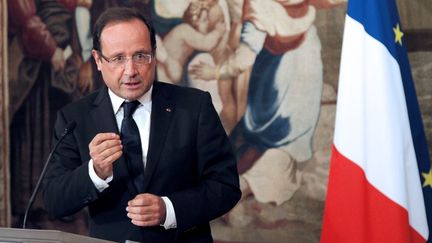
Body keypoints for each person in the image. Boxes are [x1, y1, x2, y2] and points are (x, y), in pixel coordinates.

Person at [42, 7, 241, 242]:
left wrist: (169, 209)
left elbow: (226, 186)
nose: (131, 71)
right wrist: (95, 172)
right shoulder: (74, 117)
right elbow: (54, 201)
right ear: (98, 60)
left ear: (154, 55)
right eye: (117, 58)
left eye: (140, 56)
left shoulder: (194, 107)